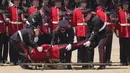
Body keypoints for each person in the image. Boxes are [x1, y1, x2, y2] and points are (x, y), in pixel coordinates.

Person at [116, 1, 130, 65]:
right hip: (122, 32)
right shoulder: (119, 12)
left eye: (127, 5)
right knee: (122, 47)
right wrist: (117, 31)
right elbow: (117, 23)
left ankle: (128, 60)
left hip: (129, 32)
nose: (126, 6)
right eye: (125, 5)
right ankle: (122, 60)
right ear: (122, 5)